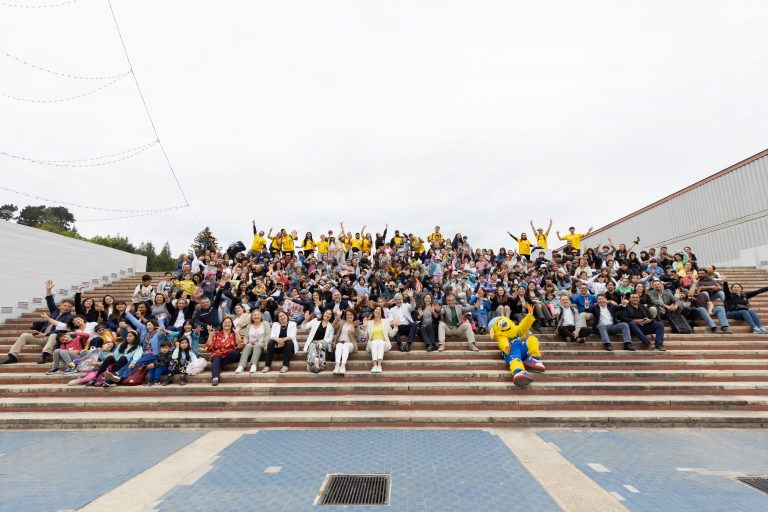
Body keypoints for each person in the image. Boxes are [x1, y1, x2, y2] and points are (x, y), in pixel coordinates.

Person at [1, 280, 75, 365]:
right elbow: (50, 301)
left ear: (71, 308)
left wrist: (45, 334)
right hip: (42, 337)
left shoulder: (70, 318)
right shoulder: (55, 311)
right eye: (65, 305)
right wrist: (48, 290)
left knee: (54, 335)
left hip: (54, 339)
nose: (66, 308)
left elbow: (62, 331)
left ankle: (44, 355)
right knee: (24, 335)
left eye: (69, 307)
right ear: (60, 305)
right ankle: (12, 356)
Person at [205, 317, 242, 386]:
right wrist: (210, 334)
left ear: (232, 324)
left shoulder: (234, 333)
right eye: (225, 322)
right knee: (216, 357)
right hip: (218, 353)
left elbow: (239, 343)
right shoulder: (216, 333)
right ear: (222, 324)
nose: (227, 324)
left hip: (230, 354)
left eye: (229, 322)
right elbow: (208, 346)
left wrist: (237, 333)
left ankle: (217, 367)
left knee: (236, 352)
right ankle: (215, 378)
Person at [364, 306, 397, 373]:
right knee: (374, 342)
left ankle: (379, 365)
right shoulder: (369, 322)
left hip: (384, 343)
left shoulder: (386, 321)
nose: (378, 311)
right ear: (374, 311)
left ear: (381, 313)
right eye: (376, 309)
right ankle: (375, 365)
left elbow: (391, 334)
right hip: (372, 343)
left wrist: (396, 327)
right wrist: (365, 327)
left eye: (380, 310)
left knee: (380, 343)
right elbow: (366, 337)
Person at [332, 309, 358, 375]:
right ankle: (337, 365)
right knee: (339, 345)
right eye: (347, 315)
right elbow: (334, 325)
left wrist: (356, 326)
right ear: (345, 316)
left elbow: (357, 335)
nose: (349, 316)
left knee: (345, 345)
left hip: (350, 344)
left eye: (351, 314)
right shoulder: (342, 322)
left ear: (354, 315)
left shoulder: (355, 324)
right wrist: (338, 316)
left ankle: (343, 365)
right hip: (340, 342)